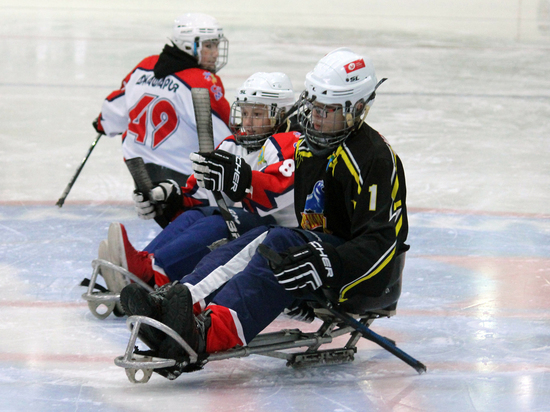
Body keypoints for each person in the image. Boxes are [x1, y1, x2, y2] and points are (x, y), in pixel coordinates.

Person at [120, 48, 409, 370]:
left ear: (358, 108)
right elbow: (289, 204)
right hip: (318, 260)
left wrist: (332, 263)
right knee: (262, 235)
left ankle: (209, 334)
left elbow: (384, 243)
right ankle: (179, 306)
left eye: (329, 111)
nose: (316, 118)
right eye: (314, 108)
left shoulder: (374, 157)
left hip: (363, 278)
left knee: (280, 241)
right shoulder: (307, 147)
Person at [99, 72, 301, 312]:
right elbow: (198, 194)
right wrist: (169, 196)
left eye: (257, 114)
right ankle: (141, 265)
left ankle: (149, 274)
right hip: (249, 229)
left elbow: (274, 195)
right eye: (245, 113)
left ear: (280, 114)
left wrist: (239, 179)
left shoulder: (289, 142)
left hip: (283, 239)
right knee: (197, 215)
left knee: (222, 220)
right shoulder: (231, 144)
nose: (247, 122)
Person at [93, 13, 231, 186]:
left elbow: (115, 109)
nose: (215, 53)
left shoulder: (146, 65)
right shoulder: (200, 82)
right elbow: (226, 135)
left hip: (139, 169)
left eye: (216, 45)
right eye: (209, 46)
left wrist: (103, 123)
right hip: (182, 174)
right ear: (189, 46)